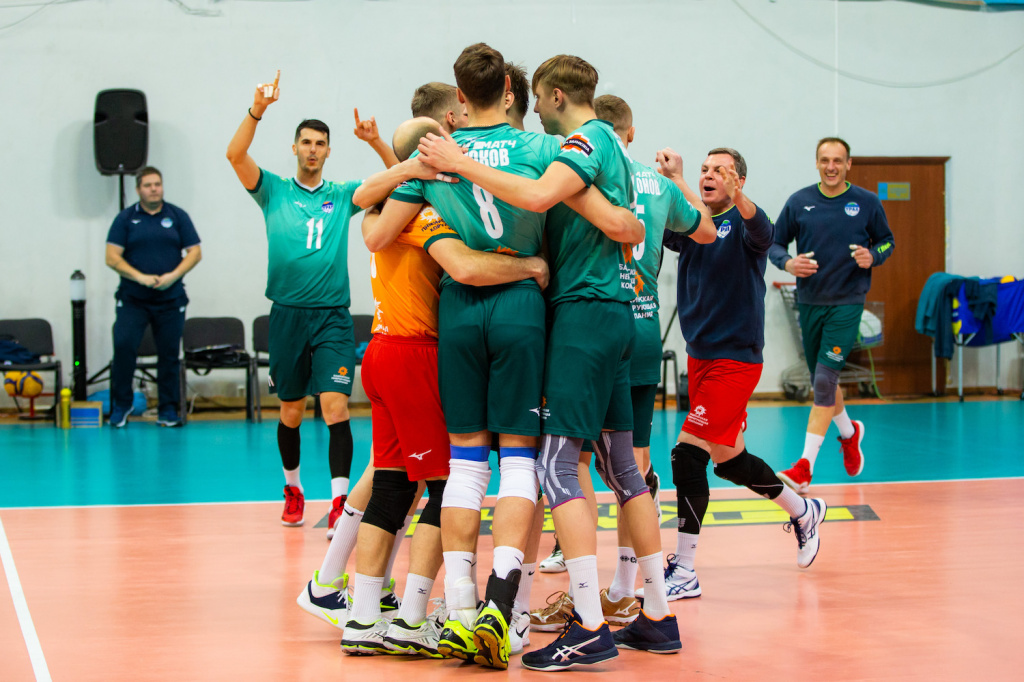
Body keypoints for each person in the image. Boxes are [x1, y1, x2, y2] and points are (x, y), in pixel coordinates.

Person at [364, 44, 635, 671]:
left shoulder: (436, 155)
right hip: (521, 305)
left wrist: (411, 171)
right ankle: (502, 605)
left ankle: (460, 610)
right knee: (519, 459)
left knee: (464, 463)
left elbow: (374, 231)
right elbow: (596, 216)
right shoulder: (542, 149)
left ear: (459, 97)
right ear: (511, 92)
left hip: (458, 309)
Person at [419, 53, 678, 669]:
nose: (535, 108)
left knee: (556, 466)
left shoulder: (578, 145)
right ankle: (658, 613)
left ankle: (587, 625)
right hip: (614, 313)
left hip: (578, 314)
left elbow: (542, 197)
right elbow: (628, 223)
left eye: (540, 97)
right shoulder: (593, 148)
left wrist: (456, 161)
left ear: (554, 95)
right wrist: (624, 222)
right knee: (623, 468)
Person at [339, 116, 551, 657]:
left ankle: (361, 614)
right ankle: (420, 615)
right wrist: (531, 265)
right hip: (416, 351)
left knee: (392, 485)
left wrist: (390, 155)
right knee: (446, 483)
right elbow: (465, 266)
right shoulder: (425, 211)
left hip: (381, 349)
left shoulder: (384, 205)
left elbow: (366, 211)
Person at [225, 71, 400, 532]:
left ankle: (340, 502)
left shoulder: (341, 196)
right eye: (306, 142)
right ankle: (293, 489)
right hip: (286, 317)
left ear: (327, 151)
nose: (312, 149)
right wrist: (257, 109)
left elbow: (395, 180)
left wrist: (377, 141)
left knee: (335, 407)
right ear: (295, 147)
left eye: (320, 143)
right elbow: (235, 155)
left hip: (332, 318)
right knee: (290, 411)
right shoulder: (273, 190)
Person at [653, 148, 827, 606]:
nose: (709, 175)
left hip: (736, 359)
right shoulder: (695, 223)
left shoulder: (748, 224)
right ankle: (804, 511)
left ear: (740, 181)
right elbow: (669, 224)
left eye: (721, 171)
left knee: (687, 455)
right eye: (705, 170)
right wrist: (663, 182)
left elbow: (763, 229)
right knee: (730, 460)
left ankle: (685, 569)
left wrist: (697, 183)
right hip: (700, 357)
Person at [770, 137, 895, 493]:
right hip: (810, 302)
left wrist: (874, 256)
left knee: (824, 382)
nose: (831, 167)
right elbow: (775, 244)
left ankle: (804, 467)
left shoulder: (867, 202)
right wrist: (788, 263)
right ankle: (849, 432)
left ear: (848, 164)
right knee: (823, 381)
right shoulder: (799, 202)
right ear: (816, 163)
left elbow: (887, 241)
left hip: (848, 302)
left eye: (838, 160)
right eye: (825, 160)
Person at [105, 166, 201, 428]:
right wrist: (140, 277)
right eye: (148, 185)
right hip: (133, 300)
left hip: (170, 300)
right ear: (138, 189)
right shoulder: (125, 219)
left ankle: (167, 409)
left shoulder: (177, 216)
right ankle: (122, 406)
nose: (154, 189)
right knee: (124, 347)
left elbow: (195, 252)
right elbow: (111, 257)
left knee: (169, 355)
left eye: (157, 184)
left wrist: (173, 276)